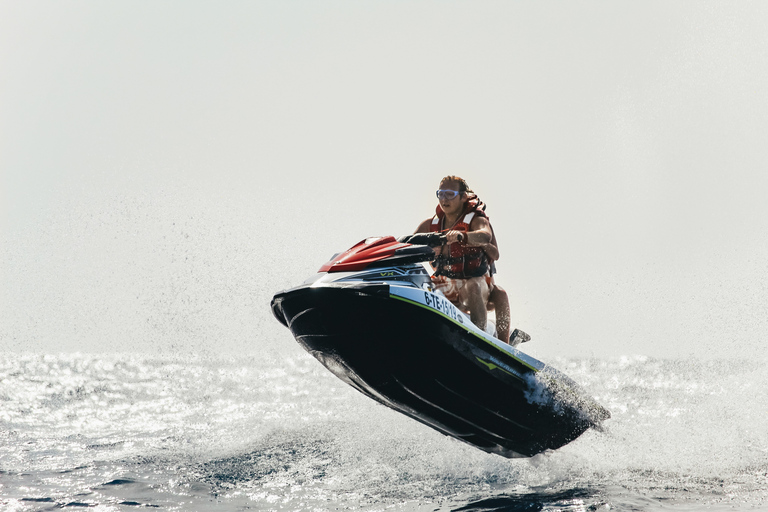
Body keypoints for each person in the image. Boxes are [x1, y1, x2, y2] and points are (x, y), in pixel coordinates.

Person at [415, 176, 529, 345]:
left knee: (477, 286)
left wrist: (462, 236)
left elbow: (485, 235)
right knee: (417, 283)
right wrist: (429, 249)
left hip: (477, 286)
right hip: (445, 285)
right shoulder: (431, 224)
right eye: (440, 194)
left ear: (463, 197)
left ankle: (481, 341)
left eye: (450, 194)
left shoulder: (477, 220)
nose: (444, 199)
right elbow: (408, 243)